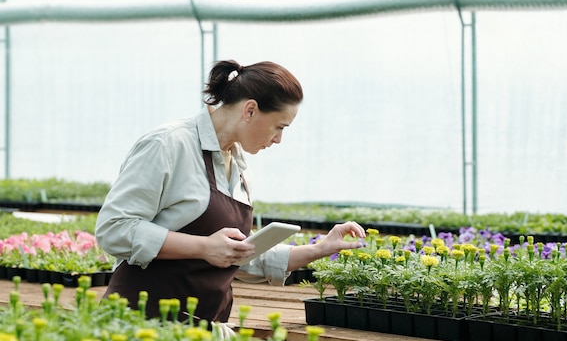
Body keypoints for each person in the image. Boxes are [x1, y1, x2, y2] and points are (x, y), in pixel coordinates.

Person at [95, 59, 365, 327]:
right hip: (140, 324)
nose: (278, 139)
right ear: (250, 110)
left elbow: (238, 255)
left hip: (202, 330)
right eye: (279, 127)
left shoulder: (237, 164)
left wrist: (321, 249)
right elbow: (114, 229)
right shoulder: (168, 145)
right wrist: (204, 247)